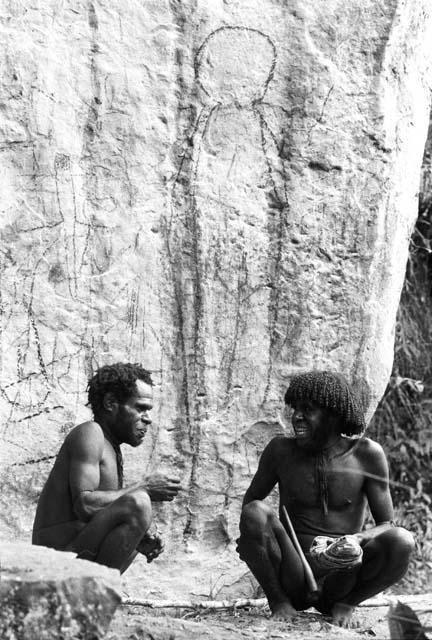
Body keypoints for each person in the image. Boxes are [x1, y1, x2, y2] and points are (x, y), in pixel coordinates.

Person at [237, 370, 415, 628]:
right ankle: (279, 602)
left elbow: (387, 523)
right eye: (295, 408)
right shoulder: (280, 451)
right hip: (295, 571)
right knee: (255, 512)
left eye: (307, 409)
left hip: (343, 576)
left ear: (333, 414)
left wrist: (354, 540)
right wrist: (250, 541)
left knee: (401, 540)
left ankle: (347, 604)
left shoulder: (367, 454)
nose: (297, 416)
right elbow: (251, 505)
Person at [33, 362, 181, 574]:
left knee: (140, 514)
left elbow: (100, 514)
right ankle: (92, 596)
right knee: (138, 503)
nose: (148, 418)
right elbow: (84, 505)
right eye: (140, 408)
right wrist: (145, 487)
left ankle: (95, 598)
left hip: (73, 554)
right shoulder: (91, 433)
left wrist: (141, 534)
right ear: (111, 402)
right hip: (53, 561)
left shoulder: (112, 447)